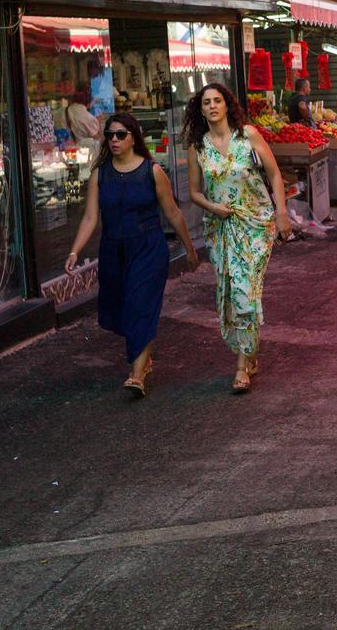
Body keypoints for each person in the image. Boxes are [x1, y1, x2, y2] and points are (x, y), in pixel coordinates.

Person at [65, 114, 199, 397]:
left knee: (142, 304)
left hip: (148, 247)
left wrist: (189, 248)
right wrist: (75, 251)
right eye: (110, 134)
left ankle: (137, 374)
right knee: (122, 309)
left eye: (121, 134)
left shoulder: (152, 171)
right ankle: (143, 356)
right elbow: (90, 217)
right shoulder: (100, 173)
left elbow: (173, 212)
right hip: (114, 249)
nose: (114, 139)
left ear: (133, 137)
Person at [185, 83, 292, 393]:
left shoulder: (248, 135)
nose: (212, 106)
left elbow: (273, 174)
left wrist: (282, 213)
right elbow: (193, 192)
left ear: (226, 105)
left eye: (217, 100)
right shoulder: (198, 147)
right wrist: (212, 206)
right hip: (219, 228)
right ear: (200, 109)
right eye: (206, 102)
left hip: (256, 224)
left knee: (245, 289)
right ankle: (250, 352)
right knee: (231, 291)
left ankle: (241, 368)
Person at [66, 89, 102, 156]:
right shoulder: (88, 117)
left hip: (73, 147)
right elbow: (96, 136)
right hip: (88, 150)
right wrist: (98, 122)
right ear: (88, 103)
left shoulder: (69, 109)